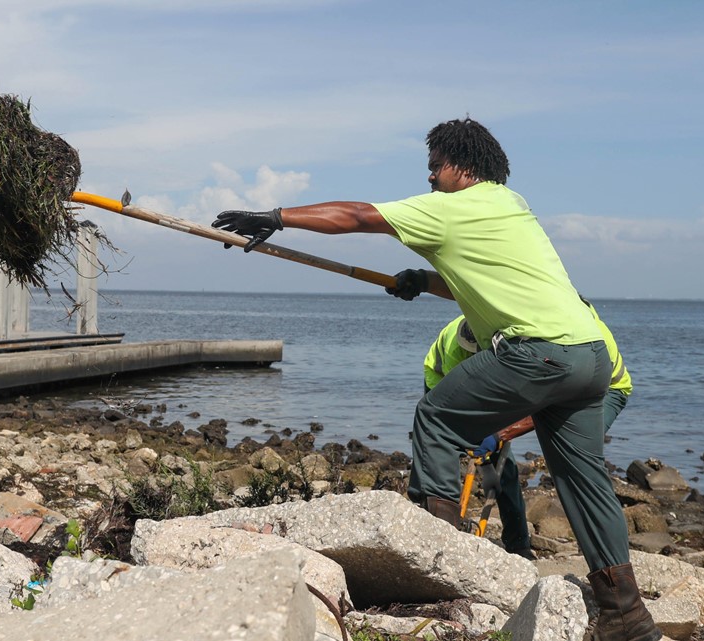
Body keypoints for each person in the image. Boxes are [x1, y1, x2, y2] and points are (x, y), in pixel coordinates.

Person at [212, 118, 660, 641]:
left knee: (437, 418)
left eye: (434, 167)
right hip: (591, 357)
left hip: (538, 352)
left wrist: (278, 216)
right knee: (583, 482)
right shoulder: (512, 207)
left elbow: (357, 216)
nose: (429, 179)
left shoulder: (451, 207)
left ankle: (438, 571)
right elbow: (480, 278)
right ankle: (627, 617)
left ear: (461, 167)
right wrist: (422, 281)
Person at [426, 297, 632, 561]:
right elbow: (467, 402)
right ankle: (440, 530)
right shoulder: (469, 345)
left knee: (576, 466)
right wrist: (480, 433)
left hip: (605, 390)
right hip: (439, 383)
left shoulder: (573, 334)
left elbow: (550, 409)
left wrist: (500, 434)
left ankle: (541, 547)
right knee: (445, 450)